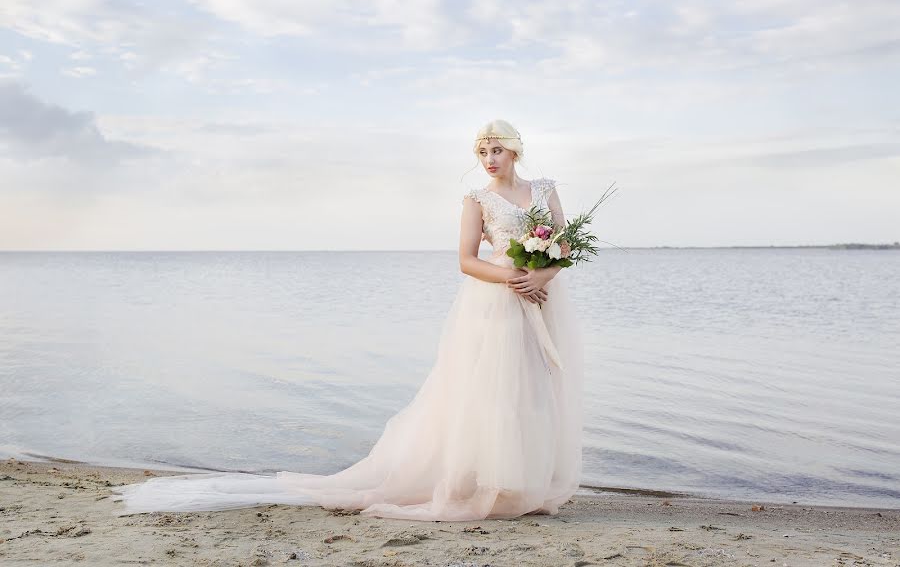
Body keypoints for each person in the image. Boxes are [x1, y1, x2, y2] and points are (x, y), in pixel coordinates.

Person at [111, 119, 585, 521]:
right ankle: (492, 484)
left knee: (536, 385)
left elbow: (563, 246)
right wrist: (511, 280)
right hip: (494, 303)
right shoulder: (475, 200)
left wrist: (540, 274)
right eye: (482, 151)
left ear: (515, 150)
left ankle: (527, 483)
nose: (489, 158)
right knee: (494, 389)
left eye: (496, 149)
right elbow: (464, 260)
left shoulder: (543, 190)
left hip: (540, 296)